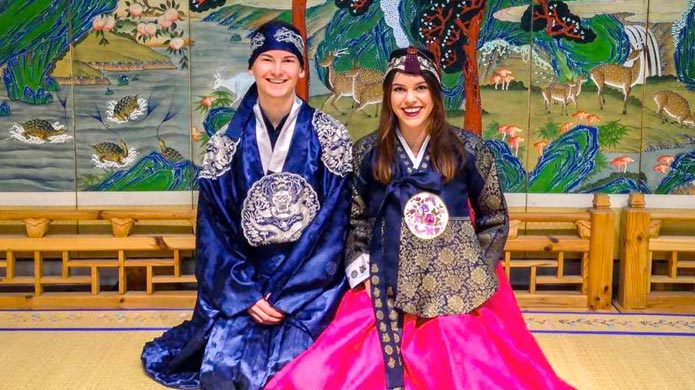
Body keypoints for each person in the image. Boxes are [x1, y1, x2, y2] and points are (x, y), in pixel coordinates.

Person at [265, 47, 574, 390]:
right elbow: (356, 219)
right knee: (324, 372)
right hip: (386, 277)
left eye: (420, 88)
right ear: (388, 95)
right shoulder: (367, 153)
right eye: (399, 89)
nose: (410, 99)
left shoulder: (469, 150)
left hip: (456, 283)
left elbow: (494, 216)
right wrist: (362, 271)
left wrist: (477, 268)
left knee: (470, 368)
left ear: (435, 93)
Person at [141, 20, 353, 390]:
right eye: (266, 59)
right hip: (245, 279)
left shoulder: (330, 136)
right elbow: (214, 230)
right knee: (224, 369)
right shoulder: (225, 143)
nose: (276, 70)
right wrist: (247, 293)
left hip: (307, 283)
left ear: (302, 70)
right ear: (251, 66)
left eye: (288, 61)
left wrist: (289, 294)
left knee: (298, 370)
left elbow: (334, 227)